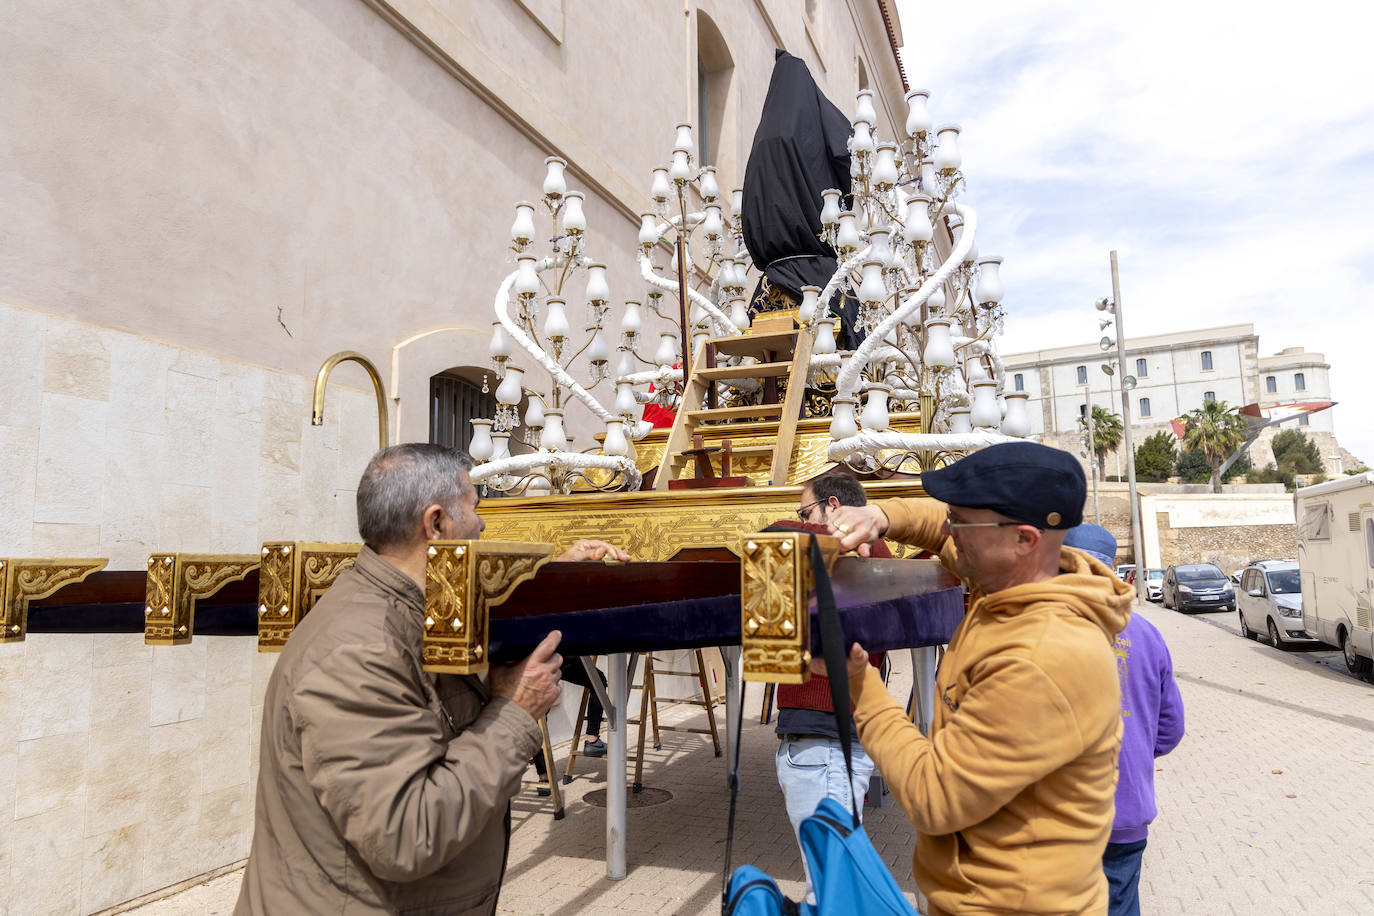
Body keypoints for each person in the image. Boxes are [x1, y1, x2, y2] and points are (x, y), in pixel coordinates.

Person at [237, 443, 627, 915]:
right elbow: (404, 835)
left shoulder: (408, 605)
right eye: (476, 509)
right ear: (437, 523)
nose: (484, 525)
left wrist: (555, 578)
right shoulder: (359, 651)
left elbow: (477, 609)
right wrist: (514, 714)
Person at [825, 441, 1133, 916]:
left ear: (1025, 540)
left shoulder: (1041, 657)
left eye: (962, 522)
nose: (950, 531)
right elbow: (939, 529)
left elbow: (935, 797)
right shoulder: (1010, 582)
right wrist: (881, 516)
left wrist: (860, 686)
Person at [773, 472, 888, 904]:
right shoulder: (840, 557)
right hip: (816, 742)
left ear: (835, 507)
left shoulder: (863, 551)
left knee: (830, 892)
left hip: (825, 744)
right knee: (830, 886)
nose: (801, 523)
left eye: (806, 513)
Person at [1064, 523, 1185, 916]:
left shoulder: (1041, 627)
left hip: (1059, 814)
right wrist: (1132, 745)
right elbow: (1170, 729)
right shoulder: (1147, 634)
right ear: (1113, 569)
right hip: (1127, 808)